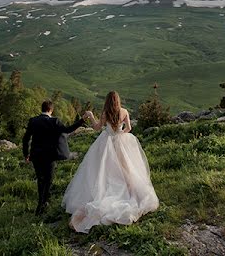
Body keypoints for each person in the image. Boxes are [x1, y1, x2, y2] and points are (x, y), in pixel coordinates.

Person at [62, 91, 159, 233]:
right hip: (120, 142)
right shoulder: (124, 111)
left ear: (107, 101)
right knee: (126, 168)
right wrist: (120, 135)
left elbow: (96, 127)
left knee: (103, 170)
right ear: (118, 100)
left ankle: (105, 190)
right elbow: (129, 128)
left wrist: (90, 116)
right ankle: (129, 190)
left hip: (106, 143)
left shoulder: (105, 113)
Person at [22, 99, 86, 215]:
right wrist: (82, 120)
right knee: (48, 180)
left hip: (36, 155)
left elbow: (26, 139)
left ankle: (42, 203)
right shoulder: (55, 121)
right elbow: (68, 130)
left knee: (40, 179)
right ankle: (43, 203)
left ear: (42, 109)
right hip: (50, 156)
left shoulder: (33, 121)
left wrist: (26, 154)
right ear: (51, 110)